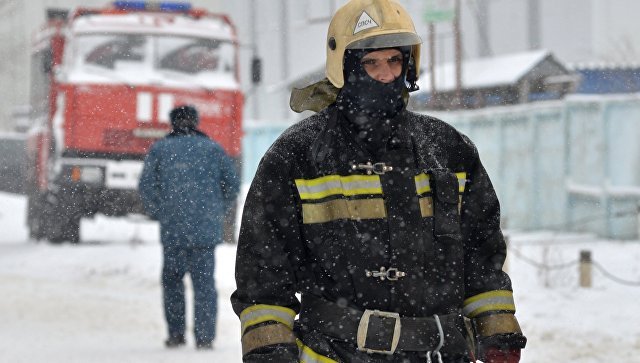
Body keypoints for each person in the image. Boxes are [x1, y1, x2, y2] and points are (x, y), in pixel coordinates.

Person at [231, 0, 526, 362]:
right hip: (333, 353)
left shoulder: (448, 150)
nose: (386, 74)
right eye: (371, 62)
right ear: (344, 66)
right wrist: (270, 349)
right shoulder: (297, 156)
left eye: (394, 61)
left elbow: (482, 255)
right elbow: (263, 270)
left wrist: (498, 331)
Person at [139, 105, 239, 350]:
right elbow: (232, 185)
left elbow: (147, 187)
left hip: (173, 231)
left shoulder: (160, 150)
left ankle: (176, 334)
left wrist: (161, 212)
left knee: (173, 283)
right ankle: (205, 338)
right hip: (205, 231)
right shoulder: (213, 149)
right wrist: (217, 212)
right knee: (204, 285)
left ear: (172, 123)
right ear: (196, 122)